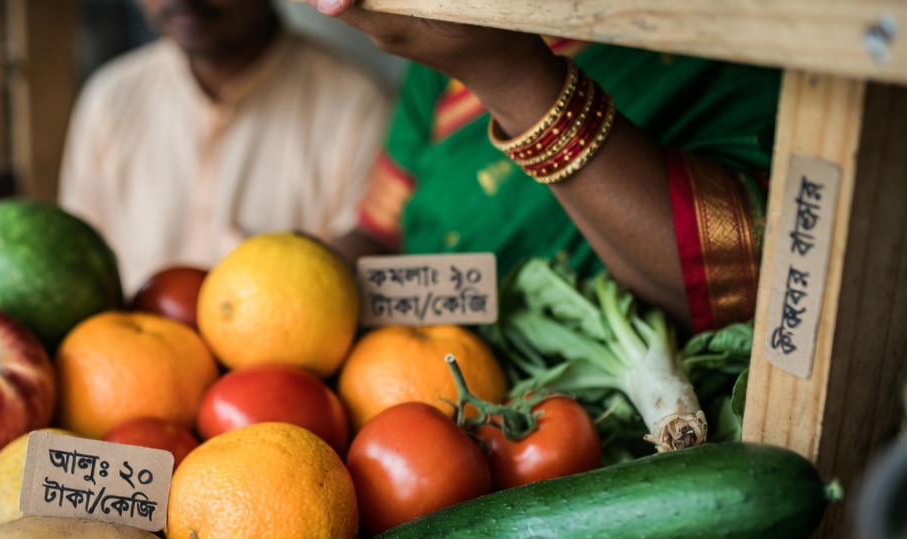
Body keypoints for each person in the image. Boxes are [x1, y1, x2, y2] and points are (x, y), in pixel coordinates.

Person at [310, 1, 779, 333]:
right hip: (413, 396)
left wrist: (507, 74)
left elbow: (752, 295)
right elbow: (378, 239)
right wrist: (297, 288)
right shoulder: (439, 27)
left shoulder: (765, 36)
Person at [59, 0, 393, 295]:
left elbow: (347, 287)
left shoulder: (358, 108)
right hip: (123, 347)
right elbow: (76, 264)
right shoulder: (109, 101)